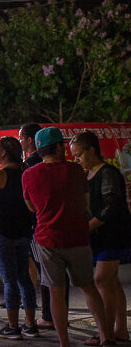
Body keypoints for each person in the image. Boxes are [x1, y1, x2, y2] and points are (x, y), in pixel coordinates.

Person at [23, 127, 113, 347]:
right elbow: (86, 204)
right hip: (78, 237)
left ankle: (64, 342)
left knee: (56, 292)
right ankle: (105, 336)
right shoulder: (75, 171)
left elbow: (31, 208)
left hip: (47, 239)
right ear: (57, 147)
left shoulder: (29, 174)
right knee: (88, 287)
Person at [70, 131, 131, 343]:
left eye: (78, 154)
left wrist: (87, 227)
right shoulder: (88, 175)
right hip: (100, 236)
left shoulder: (108, 173)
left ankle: (105, 332)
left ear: (91, 150)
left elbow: (110, 208)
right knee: (111, 282)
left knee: (102, 280)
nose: (76, 159)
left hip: (113, 235)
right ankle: (120, 329)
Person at [0, 136, 39, 339]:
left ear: (3, 153)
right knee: (25, 279)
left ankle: (13, 327)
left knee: (9, 281)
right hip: (23, 231)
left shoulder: (0, 175)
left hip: (3, 232)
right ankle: (31, 324)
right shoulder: (25, 172)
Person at [20, 122, 58, 326]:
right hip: (49, 223)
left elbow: (29, 202)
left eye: (20, 136)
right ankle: (53, 313)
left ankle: (48, 316)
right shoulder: (61, 167)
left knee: (46, 271)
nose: (19, 141)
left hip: (38, 225)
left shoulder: (30, 166)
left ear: (28, 138)